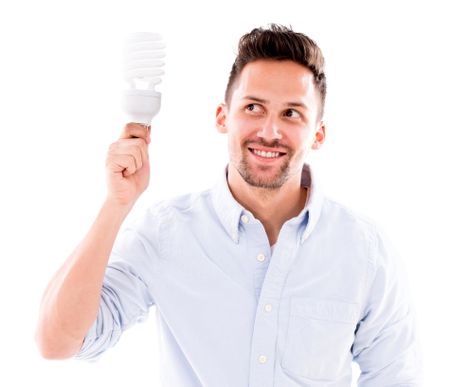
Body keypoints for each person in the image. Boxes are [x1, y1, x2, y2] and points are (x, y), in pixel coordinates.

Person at [36, 24, 423, 386]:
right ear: (223, 117)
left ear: (317, 134)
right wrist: (116, 204)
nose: (269, 132)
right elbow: (58, 343)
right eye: (253, 107)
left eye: (291, 113)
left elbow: (396, 377)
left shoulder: (364, 250)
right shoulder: (165, 231)